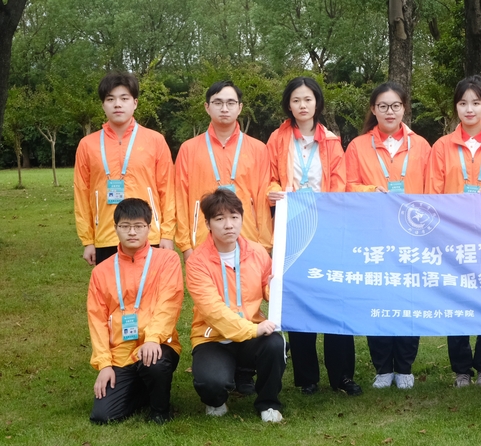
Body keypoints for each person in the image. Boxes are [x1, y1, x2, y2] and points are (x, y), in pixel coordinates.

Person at [265, 77, 361, 396]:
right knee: (300, 299)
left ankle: (342, 375)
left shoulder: (331, 141)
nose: (302, 105)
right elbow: (268, 178)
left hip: (326, 228)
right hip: (292, 228)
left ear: (317, 102)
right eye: (296, 100)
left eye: (308, 99)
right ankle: (306, 377)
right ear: (288, 105)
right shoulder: (277, 139)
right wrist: (273, 191)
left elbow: (339, 183)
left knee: (335, 298)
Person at [345, 82, 432, 389]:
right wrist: (372, 191)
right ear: (373, 109)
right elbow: (347, 186)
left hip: (412, 235)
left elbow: (432, 190)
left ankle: (404, 366)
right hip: (374, 235)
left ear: (404, 108)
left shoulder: (421, 145)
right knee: (379, 298)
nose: (389, 112)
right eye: (383, 106)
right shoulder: (358, 146)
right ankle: (383, 366)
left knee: (409, 299)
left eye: (395, 106)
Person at [426, 75, 481, 387]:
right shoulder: (442, 146)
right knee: (456, 299)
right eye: (463, 103)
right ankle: (461, 368)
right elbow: (433, 193)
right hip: (454, 236)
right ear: (456, 107)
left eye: (475, 102)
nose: (469, 109)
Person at [186, 189, 286, 423]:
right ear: (208, 224)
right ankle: (216, 399)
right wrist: (252, 330)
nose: (228, 225)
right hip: (214, 338)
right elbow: (213, 311)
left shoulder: (257, 252)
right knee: (211, 383)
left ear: (242, 218)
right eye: (220, 219)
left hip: (252, 333)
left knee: (275, 344)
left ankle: (268, 403)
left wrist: (274, 288)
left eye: (234, 217)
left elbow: (267, 289)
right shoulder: (197, 262)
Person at [87, 198, 183, 424]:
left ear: (149, 228)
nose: (132, 232)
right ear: (115, 228)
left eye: (138, 226)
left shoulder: (167, 260)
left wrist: (153, 338)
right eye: (125, 226)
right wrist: (104, 364)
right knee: (103, 416)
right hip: (121, 353)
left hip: (157, 344)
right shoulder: (101, 272)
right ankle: (142, 391)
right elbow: (97, 320)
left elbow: (169, 304)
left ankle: (160, 411)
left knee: (154, 363)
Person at [74, 72, 175, 266]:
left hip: (149, 234)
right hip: (105, 236)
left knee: (148, 286)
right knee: (112, 286)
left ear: (135, 103)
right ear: (103, 105)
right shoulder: (87, 145)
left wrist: (167, 234)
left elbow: (167, 190)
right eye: (110, 99)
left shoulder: (155, 140)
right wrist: (88, 240)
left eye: (124, 98)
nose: (117, 104)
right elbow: (81, 194)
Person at [174, 80, 272, 259]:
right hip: (202, 241)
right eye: (218, 103)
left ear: (240, 107)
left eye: (230, 103)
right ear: (207, 107)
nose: (224, 108)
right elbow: (180, 199)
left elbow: (262, 201)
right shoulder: (189, 149)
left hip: (248, 240)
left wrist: (264, 246)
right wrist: (186, 246)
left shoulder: (258, 149)